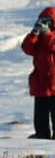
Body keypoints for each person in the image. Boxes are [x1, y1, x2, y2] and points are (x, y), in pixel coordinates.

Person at [22, 7, 55, 139]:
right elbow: (26, 48)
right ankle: (41, 137)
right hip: (40, 83)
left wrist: (47, 34)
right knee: (40, 116)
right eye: (41, 20)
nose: (43, 23)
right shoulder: (38, 39)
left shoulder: (49, 38)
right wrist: (34, 33)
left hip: (53, 83)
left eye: (46, 20)